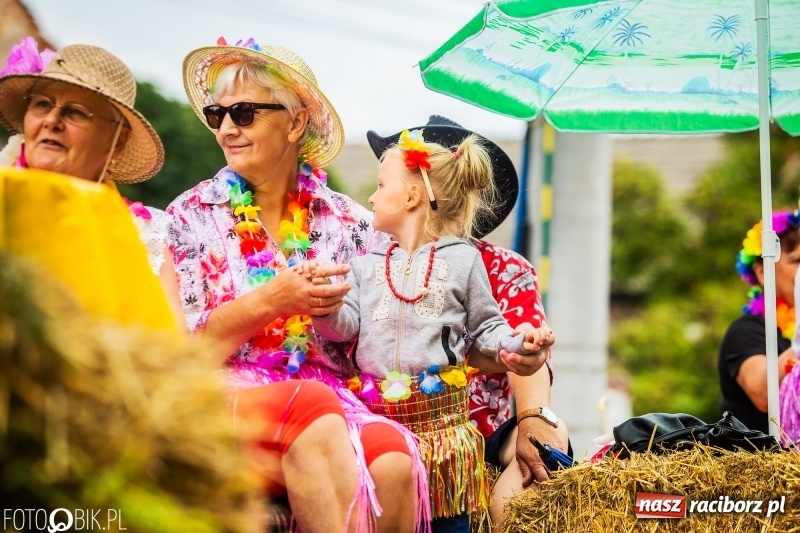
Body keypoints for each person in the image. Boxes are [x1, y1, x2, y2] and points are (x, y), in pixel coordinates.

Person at [167, 37, 430, 532]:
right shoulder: (191, 215)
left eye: (243, 113)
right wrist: (274, 299)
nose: (226, 128)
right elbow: (184, 352)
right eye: (216, 114)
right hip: (218, 394)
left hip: (332, 392)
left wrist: (331, 319)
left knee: (394, 458)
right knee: (309, 407)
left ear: (294, 122)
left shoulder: (348, 220)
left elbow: (371, 345)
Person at [308, 127, 553, 532]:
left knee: (447, 524)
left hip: (443, 438)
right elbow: (345, 327)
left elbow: (489, 326)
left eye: (380, 185)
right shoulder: (366, 264)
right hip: (378, 425)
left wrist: (518, 341)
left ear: (412, 197)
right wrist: (323, 306)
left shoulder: (464, 262)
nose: (370, 197)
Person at [0, 37, 183, 322]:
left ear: (118, 141)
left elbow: (169, 351)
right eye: (42, 104)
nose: (51, 120)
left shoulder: (147, 236)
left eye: (75, 112)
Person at [719, 210, 800, 434]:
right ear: (763, 272)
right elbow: (764, 393)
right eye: (797, 261)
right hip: (757, 465)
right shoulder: (745, 331)